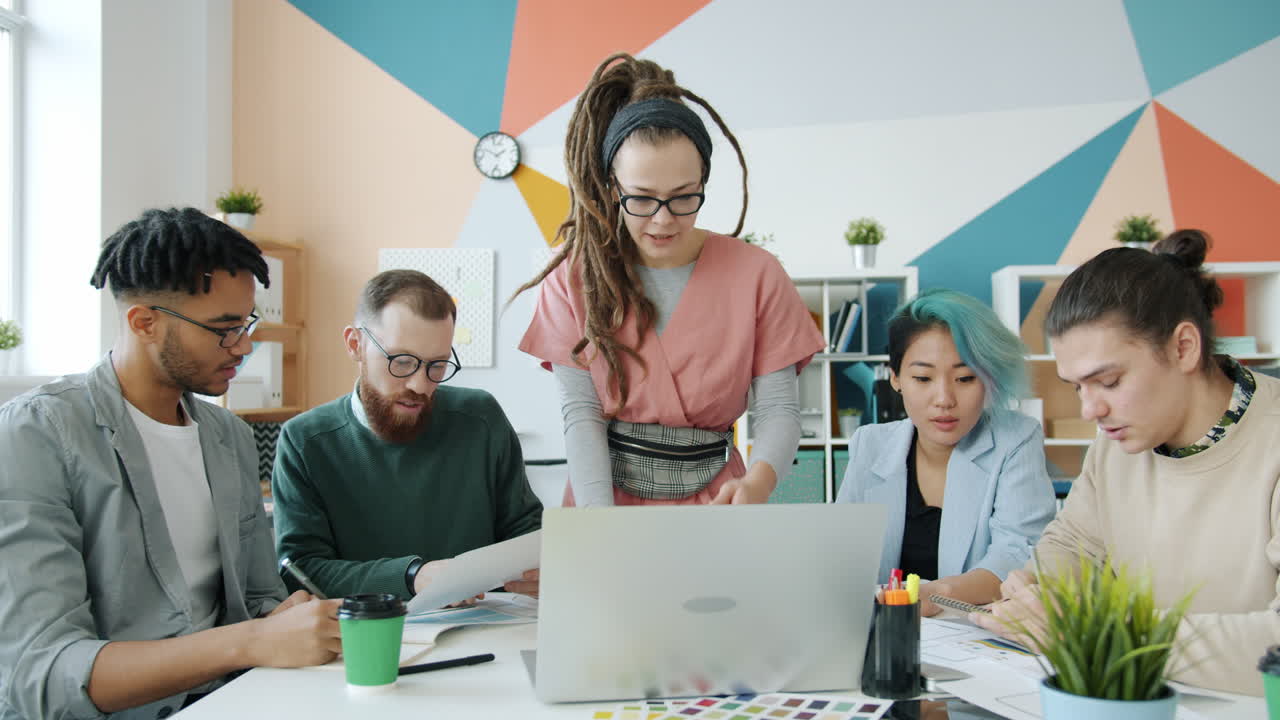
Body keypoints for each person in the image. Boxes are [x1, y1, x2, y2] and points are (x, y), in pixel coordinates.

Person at [0, 208, 341, 720]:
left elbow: (257, 599)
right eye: (224, 329)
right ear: (145, 323)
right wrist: (252, 641)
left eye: (247, 323)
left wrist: (289, 619)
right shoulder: (36, 435)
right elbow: (43, 674)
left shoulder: (229, 436)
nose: (244, 346)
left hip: (232, 701)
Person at [971, 230, 1280, 695]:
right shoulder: (1119, 445)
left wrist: (1088, 632)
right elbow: (1074, 542)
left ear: (1183, 348)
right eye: (1077, 386)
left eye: (1109, 381)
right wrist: (1039, 591)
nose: (1090, 410)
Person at [517, 53, 825, 507]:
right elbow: (581, 415)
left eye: (684, 198)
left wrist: (758, 482)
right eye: (641, 199)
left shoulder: (757, 273)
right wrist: (598, 520)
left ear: (704, 181)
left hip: (721, 500)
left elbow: (779, 409)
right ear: (611, 185)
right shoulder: (573, 278)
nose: (663, 221)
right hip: (602, 497)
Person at [271, 269, 542, 602]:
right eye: (401, 362)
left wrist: (542, 569)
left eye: (437, 365)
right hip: (364, 637)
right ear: (355, 345)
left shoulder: (480, 418)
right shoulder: (305, 441)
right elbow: (301, 572)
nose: (420, 385)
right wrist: (412, 576)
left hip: (486, 631)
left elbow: (525, 530)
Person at [836, 289, 1056, 615]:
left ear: (989, 379)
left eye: (965, 378)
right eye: (923, 378)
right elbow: (844, 550)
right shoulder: (870, 443)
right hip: (883, 631)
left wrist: (937, 593)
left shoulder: (1016, 439)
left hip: (974, 634)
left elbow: (1016, 554)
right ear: (895, 378)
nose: (944, 399)